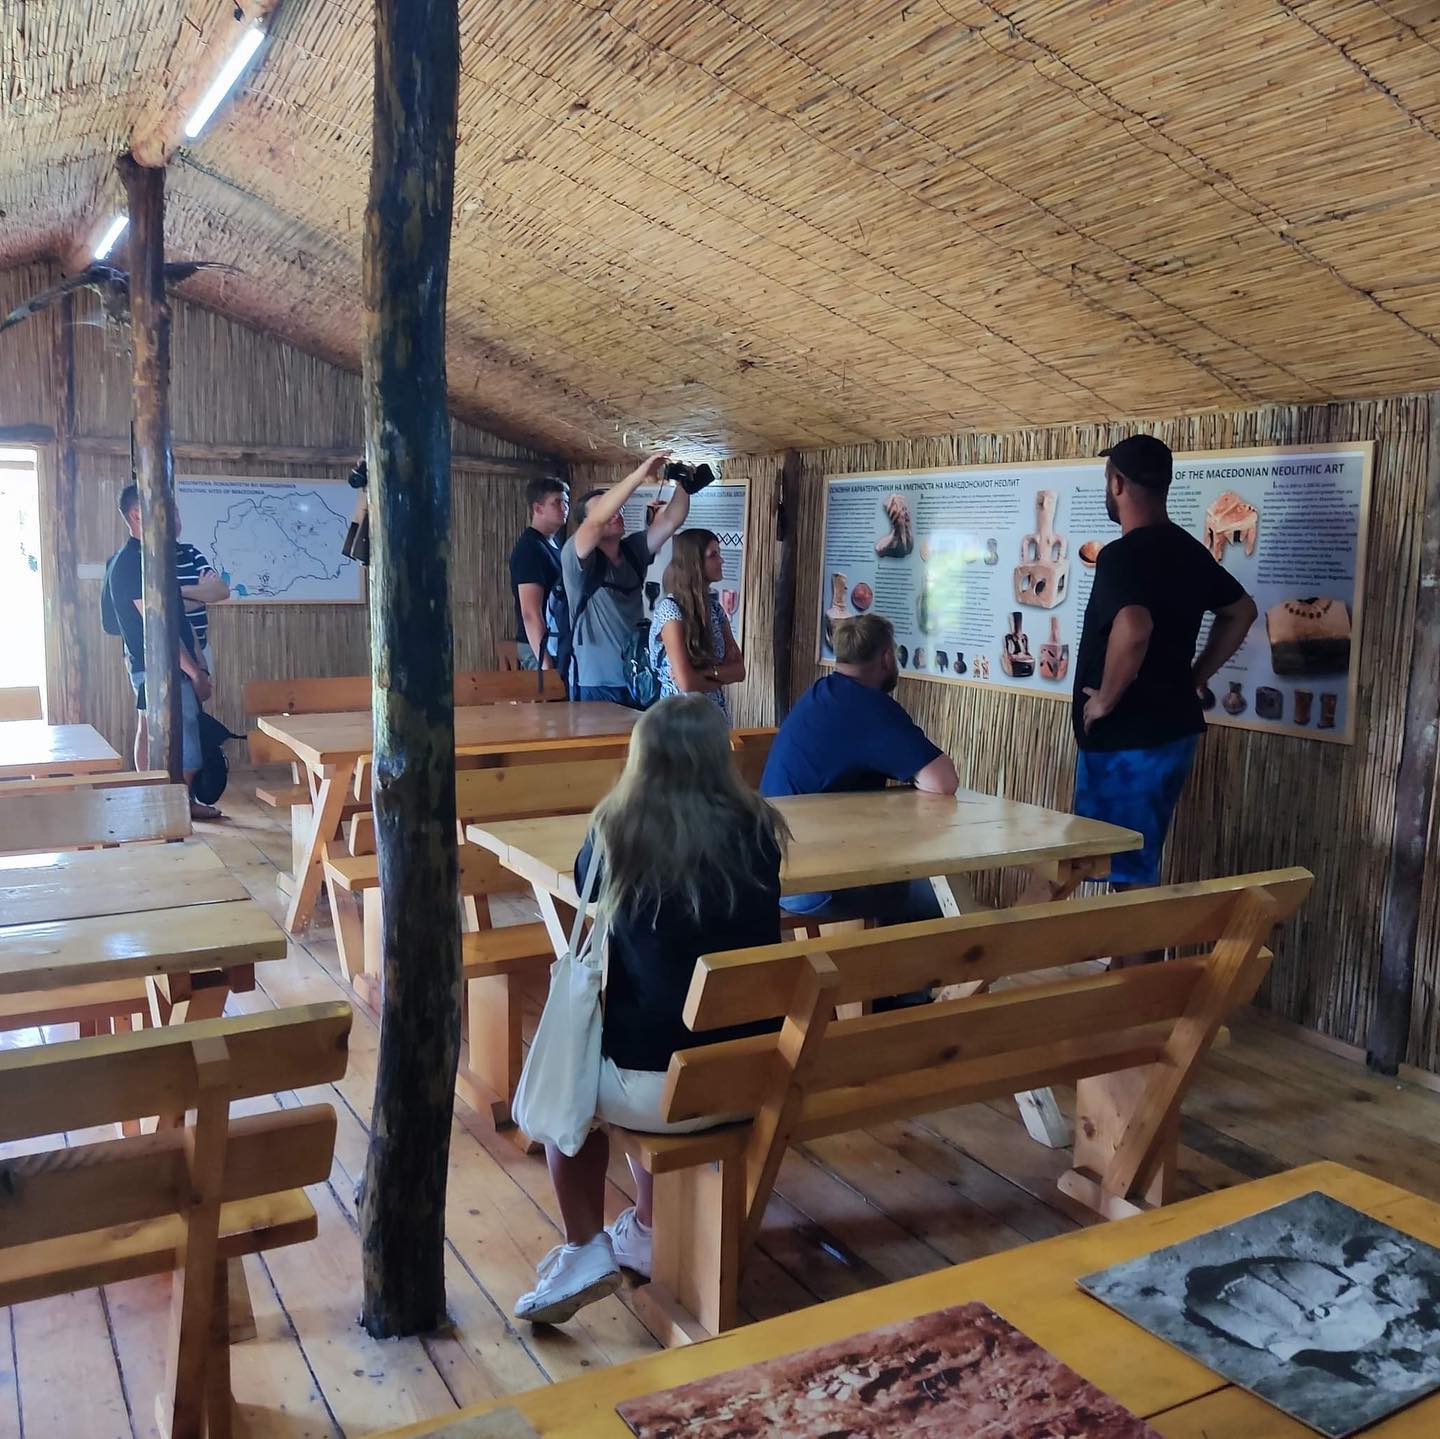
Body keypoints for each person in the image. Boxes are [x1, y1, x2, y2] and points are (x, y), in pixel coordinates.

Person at [515, 697, 790, 1324]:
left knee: (567, 1084)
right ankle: (643, 1225)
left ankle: (585, 1248)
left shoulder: (615, 832)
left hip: (654, 1092)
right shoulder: (761, 831)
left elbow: (584, 887)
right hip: (749, 1077)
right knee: (657, 1037)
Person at [1072, 435, 1257, 937]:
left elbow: (1135, 627)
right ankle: (1130, 971)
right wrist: (1195, 677)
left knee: (1127, 874)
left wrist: (1105, 699)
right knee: (1137, 863)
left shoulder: (1120, 556)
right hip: (1172, 732)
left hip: (1127, 740)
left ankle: (1136, 981)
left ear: (1117, 483)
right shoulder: (1189, 551)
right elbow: (1242, 611)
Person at [760, 613, 958, 927]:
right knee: (933, 897)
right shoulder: (868, 707)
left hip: (772, 870)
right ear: (887, 658)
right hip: (810, 885)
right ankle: (900, 961)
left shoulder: (820, 693)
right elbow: (943, 781)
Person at [102, 484, 219, 819]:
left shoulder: (153, 559)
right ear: (137, 515)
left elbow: (180, 620)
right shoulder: (130, 563)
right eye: (164, 510)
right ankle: (175, 808)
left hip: (165, 663)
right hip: (158, 667)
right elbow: (160, 628)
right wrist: (194, 672)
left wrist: (200, 666)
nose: (171, 518)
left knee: (152, 727)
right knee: (184, 736)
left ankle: (164, 802)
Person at [562, 452, 689, 705]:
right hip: (596, 683)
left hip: (637, 677)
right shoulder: (576, 558)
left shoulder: (633, 550)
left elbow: (671, 520)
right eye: (608, 509)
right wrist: (640, 474)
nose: (615, 513)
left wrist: (685, 485)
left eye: (617, 508)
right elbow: (597, 521)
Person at [649, 528, 744, 716]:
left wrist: (704, 673)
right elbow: (686, 683)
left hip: (714, 716)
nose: (721, 561)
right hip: (680, 719)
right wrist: (720, 674)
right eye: (713, 555)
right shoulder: (670, 610)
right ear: (694, 562)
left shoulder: (715, 609)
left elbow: (739, 671)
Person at [509, 476, 569, 671]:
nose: (564, 508)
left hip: (556, 642)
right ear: (538, 508)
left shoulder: (554, 543)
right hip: (538, 647)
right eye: (556, 503)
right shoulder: (530, 549)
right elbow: (530, 612)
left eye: (566, 502)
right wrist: (544, 662)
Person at [174, 519, 230, 674]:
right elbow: (159, 605)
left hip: (200, 648)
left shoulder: (191, 554)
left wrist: (178, 592)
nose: (175, 519)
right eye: (170, 513)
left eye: (176, 513)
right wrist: (200, 593)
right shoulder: (146, 560)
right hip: (167, 654)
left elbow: (222, 591)